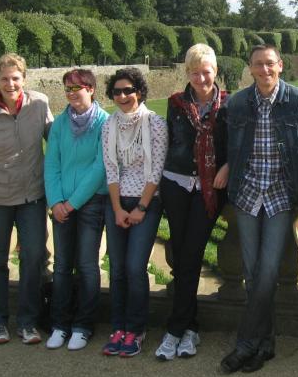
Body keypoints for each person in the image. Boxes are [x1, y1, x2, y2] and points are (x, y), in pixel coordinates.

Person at [220, 44, 298, 374]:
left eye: (270, 63)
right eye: (258, 64)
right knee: (252, 273)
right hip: (247, 193)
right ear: (250, 68)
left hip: (281, 194)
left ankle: (245, 343)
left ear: (280, 65)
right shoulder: (237, 102)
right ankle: (265, 344)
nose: (264, 70)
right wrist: (226, 166)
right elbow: (226, 146)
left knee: (267, 271)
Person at [0, 53, 53, 345]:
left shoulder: (39, 104)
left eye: (15, 78)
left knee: (33, 258)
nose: (10, 84)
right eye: (4, 79)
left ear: (24, 79)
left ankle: (28, 322)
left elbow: (56, 141)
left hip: (32, 197)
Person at [155, 44, 229, 361]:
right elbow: (169, 143)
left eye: (206, 72)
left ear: (215, 72)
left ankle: (176, 328)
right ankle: (189, 328)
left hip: (209, 188)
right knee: (182, 253)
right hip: (176, 184)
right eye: (195, 72)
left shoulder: (229, 105)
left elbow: (237, 144)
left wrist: (227, 166)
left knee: (191, 253)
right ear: (187, 73)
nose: (201, 78)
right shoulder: (175, 103)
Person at [101, 67, 168, 358]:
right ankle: (118, 327)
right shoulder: (109, 124)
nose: (122, 96)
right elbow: (111, 168)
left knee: (134, 267)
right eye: (117, 91)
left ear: (139, 92)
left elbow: (156, 169)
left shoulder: (155, 123)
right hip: (117, 202)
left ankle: (137, 329)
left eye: (128, 90)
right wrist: (117, 209)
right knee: (116, 269)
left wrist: (141, 207)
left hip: (146, 201)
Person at [44, 68, 109, 351]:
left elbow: (100, 167)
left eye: (76, 88)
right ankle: (60, 324)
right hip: (62, 203)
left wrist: (71, 203)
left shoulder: (104, 122)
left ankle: (83, 326)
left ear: (90, 89)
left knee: (86, 265)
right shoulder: (59, 124)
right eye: (67, 88)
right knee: (61, 266)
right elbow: (51, 164)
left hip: (91, 202)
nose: (71, 93)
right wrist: (55, 201)